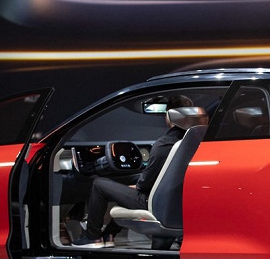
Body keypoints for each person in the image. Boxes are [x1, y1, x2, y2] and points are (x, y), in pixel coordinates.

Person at [71, 95, 194, 248]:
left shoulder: (164, 144)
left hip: (154, 202)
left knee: (98, 184)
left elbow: (145, 183)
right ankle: (109, 234)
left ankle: (92, 237)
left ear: (168, 116)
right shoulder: (194, 140)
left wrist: (137, 186)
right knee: (130, 182)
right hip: (178, 201)